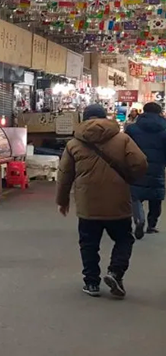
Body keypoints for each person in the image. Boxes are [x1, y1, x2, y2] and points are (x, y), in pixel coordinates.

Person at [57, 104, 147, 298]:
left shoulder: (74, 144)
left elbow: (64, 174)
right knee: (124, 239)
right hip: (118, 202)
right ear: (105, 117)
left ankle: (91, 283)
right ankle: (115, 272)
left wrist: (62, 200)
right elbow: (140, 162)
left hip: (88, 203)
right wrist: (130, 178)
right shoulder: (122, 139)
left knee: (89, 243)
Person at [125, 102, 166, 239]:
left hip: (136, 166)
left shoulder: (132, 129)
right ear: (160, 113)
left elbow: (125, 147)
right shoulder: (164, 129)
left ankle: (139, 219)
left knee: (135, 195)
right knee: (156, 196)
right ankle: (151, 225)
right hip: (158, 167)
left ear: (143, 111)